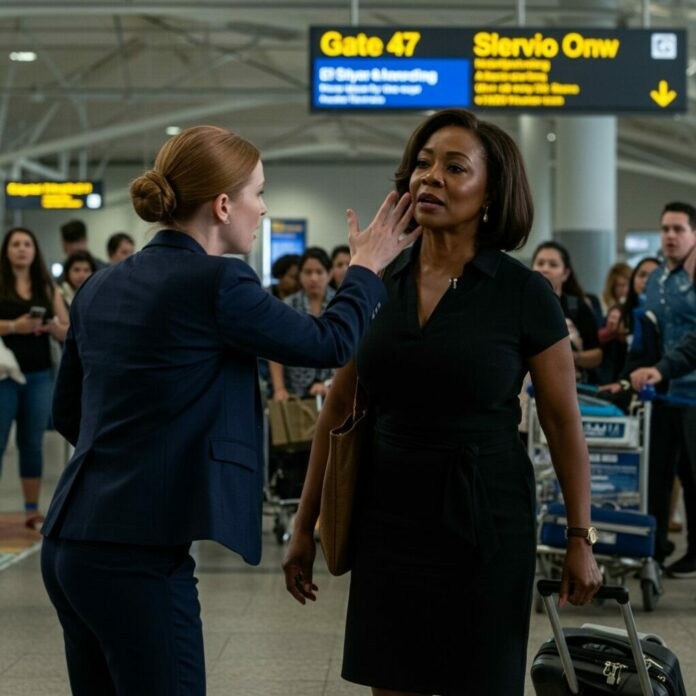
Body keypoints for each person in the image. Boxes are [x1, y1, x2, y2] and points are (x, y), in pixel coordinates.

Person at [39, 124, 420, 696]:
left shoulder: (101, 284)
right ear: (222, 205)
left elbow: (70, 411)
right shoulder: (219, 281)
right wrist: (365, 269)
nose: (262, 209)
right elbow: (329, 342)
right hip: (139, 555)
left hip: (69, 541)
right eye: (258, 193)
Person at [283, 108, 601, 696]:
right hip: (388, 516)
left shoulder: (523, 292)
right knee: (392, 681)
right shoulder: (377, 281)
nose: (432, 177)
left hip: (485, 519)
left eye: (455, 167)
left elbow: (562, 423)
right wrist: (305, 527)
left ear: (491, 194)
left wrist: (580, 538)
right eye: (423, 164)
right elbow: (338, 411)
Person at [631, 202, 696, 575]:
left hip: (692, 392)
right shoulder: (656, 279)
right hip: (660, 393)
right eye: (665, 229)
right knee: (656, 474)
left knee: (692, 477)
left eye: (679, 229)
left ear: (693, 234)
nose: (670, 236)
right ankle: (652, 550)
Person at [0, 227, 69, 529]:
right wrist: (15, 327)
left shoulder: (47, 287)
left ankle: (31, 510)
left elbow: (67, 329)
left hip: (40, 377)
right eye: (15, 244)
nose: (21, 249)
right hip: (4, 376)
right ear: (6, 250)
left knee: (32, 443)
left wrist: (50, 327)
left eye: (27, 244)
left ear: (35, 250)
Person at [269, 247, 336, 401]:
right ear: (300, 275)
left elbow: (350, 350)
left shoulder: (340, 304)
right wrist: (279, 389)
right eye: (308, 272)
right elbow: (275, 349)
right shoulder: (287, 305)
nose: (313, 278)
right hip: (295, 392)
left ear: (329, 274)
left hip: (333, 389)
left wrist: (331, 383)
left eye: (319, 272)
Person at [531, 241, 602, 382]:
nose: (545, 269)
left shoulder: (577, 306)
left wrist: (572, 357)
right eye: (540, 263)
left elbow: (597, 355)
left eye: (553, 265)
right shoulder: (520, 305)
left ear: (565, 273)